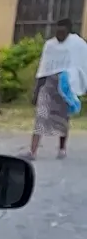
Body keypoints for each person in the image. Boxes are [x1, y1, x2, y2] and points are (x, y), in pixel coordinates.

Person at [32, 17, 87, 158]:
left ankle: (62, 148)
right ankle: (33, 151)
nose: (59, 34)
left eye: (62, 32)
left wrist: (77, 83)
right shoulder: (50, 45)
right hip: (48, 84)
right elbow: (43, 67)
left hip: (66, 86)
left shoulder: (77, 44)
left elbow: (82, 63)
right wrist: (37, 90)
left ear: (68, 31)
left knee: (63, 118)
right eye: (57, 31)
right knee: (41, 115)